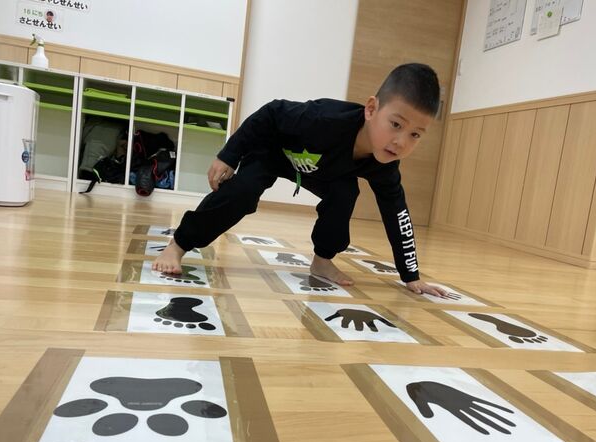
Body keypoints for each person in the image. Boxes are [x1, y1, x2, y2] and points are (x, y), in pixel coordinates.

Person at [153, 63, 446, 296]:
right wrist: (229, 154)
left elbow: (397, 214)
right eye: (396, 124)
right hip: (274, 151)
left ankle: (322, 262)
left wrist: (411, 276)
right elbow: (270, 113)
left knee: (345, 193)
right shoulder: (325, 119)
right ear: (371, 109)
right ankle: (178, 244)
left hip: (322, 171)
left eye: (415, 135)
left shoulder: (385, 165)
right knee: (241, 192)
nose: (400, 141)